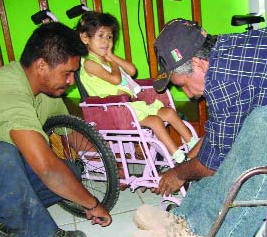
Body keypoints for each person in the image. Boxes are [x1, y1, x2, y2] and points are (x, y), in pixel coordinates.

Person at [127, 18, 267, 237]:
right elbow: (217, 140)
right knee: (242, 132)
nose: (188, 95)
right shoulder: (221, 51)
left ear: (198, 63)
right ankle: (186, 218)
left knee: (263, 126)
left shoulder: (224, 81)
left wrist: (179, 174)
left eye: (183, 86)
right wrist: (186, 162)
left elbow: (212, 164)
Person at [0, 22, 112, 237]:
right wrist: (92, 204)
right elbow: (46, 169)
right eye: (67, 73)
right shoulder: (10, 95)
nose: (71, 81)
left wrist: (109, 169)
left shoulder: (45, 91)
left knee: (71, 171)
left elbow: (71, 134)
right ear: (41, 65)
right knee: (2, 155)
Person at [75, 11, 198, 164]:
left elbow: (132, 71)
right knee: (154, 121)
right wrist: (113, 63)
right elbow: (115, 79)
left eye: (109, 37)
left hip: (130, 107)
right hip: (113, 111)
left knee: (169, 112)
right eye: (100, 36)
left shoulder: (107, 60)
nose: (106, 42)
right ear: (84, 38)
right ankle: (177, 156)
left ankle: (194, 144)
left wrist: (112, 57)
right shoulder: (89, 63)